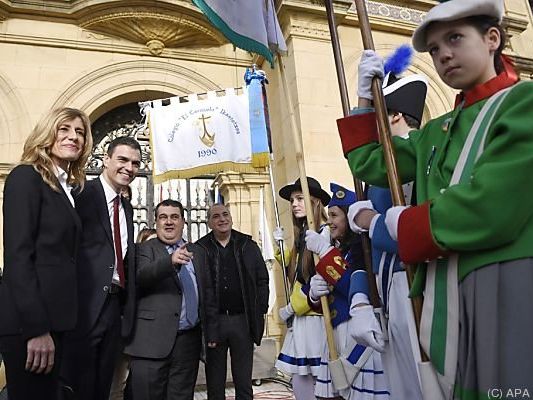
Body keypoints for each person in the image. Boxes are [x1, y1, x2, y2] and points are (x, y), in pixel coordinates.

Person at [336, 0, 533, 397]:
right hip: (443, 288)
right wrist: (363, 101)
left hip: (503, 281)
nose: (443, 54)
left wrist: (388, 224)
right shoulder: (436, 131)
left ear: (492, 38)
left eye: (455, 38)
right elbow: (372, 165)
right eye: (435, 48)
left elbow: (488, 209)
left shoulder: (523, 103)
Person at [0, 107, 92, 400]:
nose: (73, 137)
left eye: (79, 132)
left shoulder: (65, 187)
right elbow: (17, 256)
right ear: (47, 133)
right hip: (31, 325)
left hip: (57, 322)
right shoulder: (26, 177)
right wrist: (36, 329)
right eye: (64, 129)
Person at [347, 67, 428, 400]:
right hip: (386, 292)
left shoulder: (420, 156)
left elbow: (415, 230)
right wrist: (360, 298)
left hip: (419, 286)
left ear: (392, 116)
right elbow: (361, 250)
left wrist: (371, 221)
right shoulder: (385, 165)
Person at [60, 136, 141, 400]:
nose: (129, 167)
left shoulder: (126, 207)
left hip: (114, 310)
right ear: (106, 160)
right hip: (84, 308)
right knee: (78, 386)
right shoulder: (81, 194)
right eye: (123, 160)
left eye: (135, 163)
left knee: (102, 387)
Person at [305, 183, 390, 399]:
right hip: (337, 337)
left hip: (358, 340)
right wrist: (314, 295)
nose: (329, 222)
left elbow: (354, 285)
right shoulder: (340, 250)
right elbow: (328, 296)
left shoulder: (364, 249)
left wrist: (325, 252)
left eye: (334, 216)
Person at [125, 199, 205, 400]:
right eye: (163, 217)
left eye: (174, 217)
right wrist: (170, 261)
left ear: (183, 222)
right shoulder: (143, 249)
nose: (169, 222)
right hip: (150, 345)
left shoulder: (198, 252)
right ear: (156, 221)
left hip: (188, 344)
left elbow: (208, 294)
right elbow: (142, 276)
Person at [195, 203, 269, 400]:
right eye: (216, 216)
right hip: (214, 322)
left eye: (225, 214)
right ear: (210, 222)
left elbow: (262, 278)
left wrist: (260, 307)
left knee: (243, 380)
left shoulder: (248, 245)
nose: (222, 219)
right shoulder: (201, 248)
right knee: (215, 381)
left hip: (242, 321)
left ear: (231, 218)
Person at [274, 177, 329, 400]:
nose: (294, 204)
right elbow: (297, 274)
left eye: (299, 198)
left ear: (315, 202)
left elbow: (320, 283)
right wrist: (282, 251)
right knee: (300, 385)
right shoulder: (303, 235)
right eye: (292, 200)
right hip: (303, 323)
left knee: (318, 384)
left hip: (317, 322)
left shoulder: (324, 235)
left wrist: (293, 307)